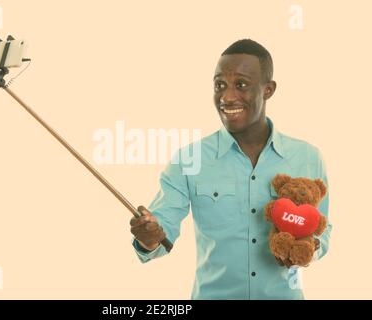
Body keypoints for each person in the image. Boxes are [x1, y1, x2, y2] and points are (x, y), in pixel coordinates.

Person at [130, 39, 331, 300]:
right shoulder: (189, 159)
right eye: (219, 85)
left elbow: (322, 229)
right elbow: (160, 231)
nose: (227, 97)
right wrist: (149, 236)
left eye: (241, 85)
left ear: (268, 89)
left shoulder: (307, 157)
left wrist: (306, 249)